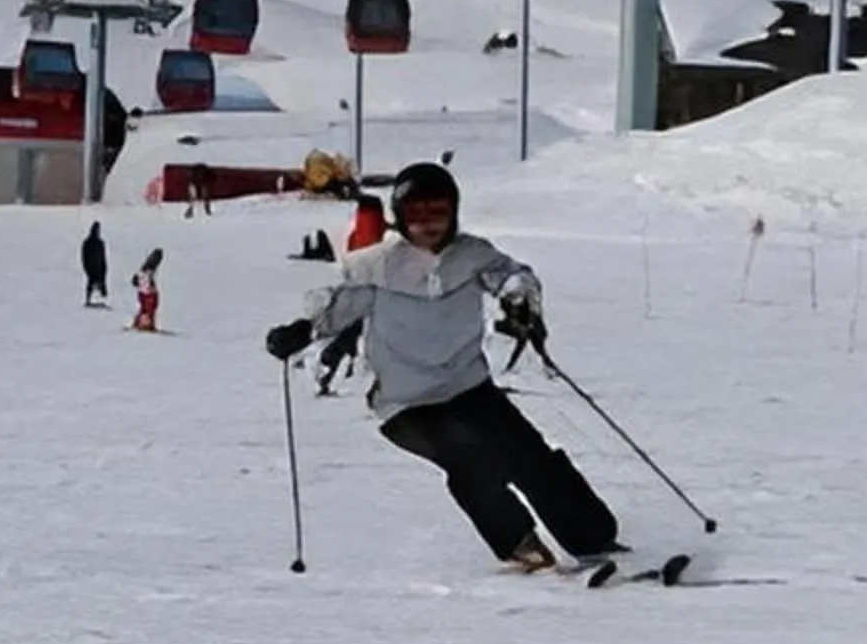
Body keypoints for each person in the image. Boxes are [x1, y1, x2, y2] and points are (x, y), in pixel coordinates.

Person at [262, 162, 617, 571]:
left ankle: (593, 537)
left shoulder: (472, 255)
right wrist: (301, 330)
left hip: (468, 386)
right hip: (405, 403)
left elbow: (512, 276)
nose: (428, 224)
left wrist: (519, 302)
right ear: (399, 216)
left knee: (528, 453)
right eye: (416, 214)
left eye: (439, 212)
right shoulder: (376, 267)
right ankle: (518, 541)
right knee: (468, 457)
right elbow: (336, 310)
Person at [131, 248, 164, 332]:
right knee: (147, 311)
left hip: (147, 293)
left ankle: (141, 324)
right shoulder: (145, 273)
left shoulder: (145, 273)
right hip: (148, 293)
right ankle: (141, 324)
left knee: (147, 310)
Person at [80, 221, 109, 307]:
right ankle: (89, 299)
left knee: (101, 282)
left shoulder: (100, 243)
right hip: (91, 267)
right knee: (91, 281)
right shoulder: (87, 243)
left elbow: (103, 257)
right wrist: (86, 268)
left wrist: (104, 268)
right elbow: (84, 257)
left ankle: (100, 298)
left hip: (99, 267)